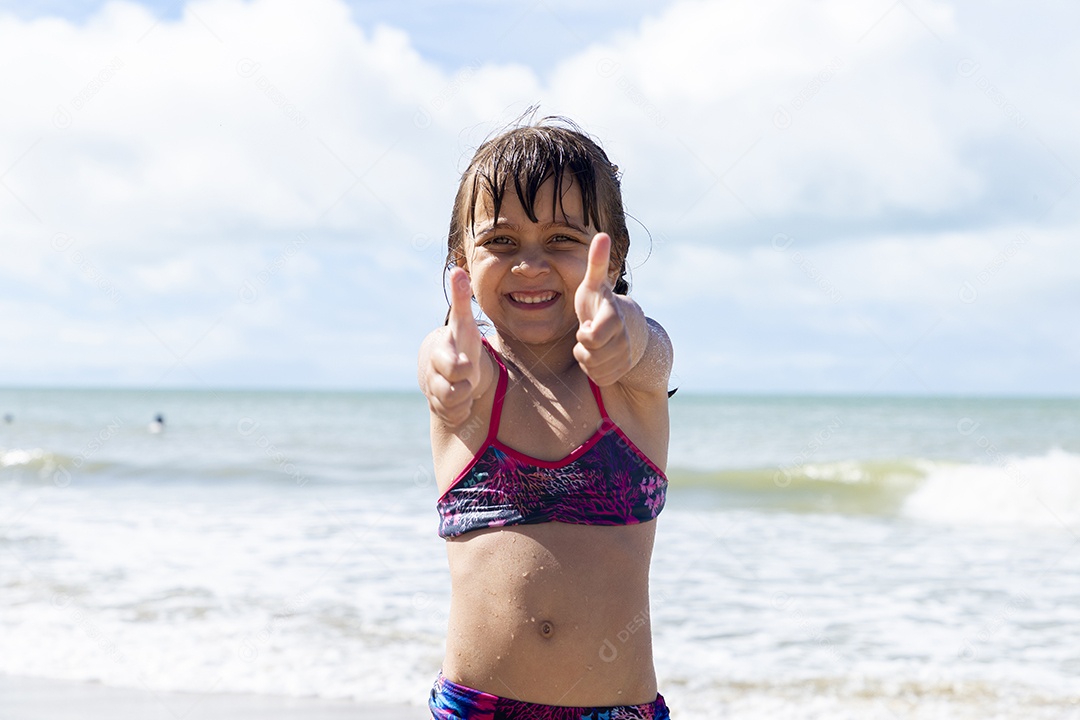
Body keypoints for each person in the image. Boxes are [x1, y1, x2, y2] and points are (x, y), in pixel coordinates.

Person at [418, 117, 673, 719]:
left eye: (561, 240)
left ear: (611, 259)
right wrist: (445, 373)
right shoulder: (467, 374)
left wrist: (628, 333)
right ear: (462, 259)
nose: (529, 265)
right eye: (501, 242)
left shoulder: (631, 387)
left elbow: (653, 350)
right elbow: (441, 363)